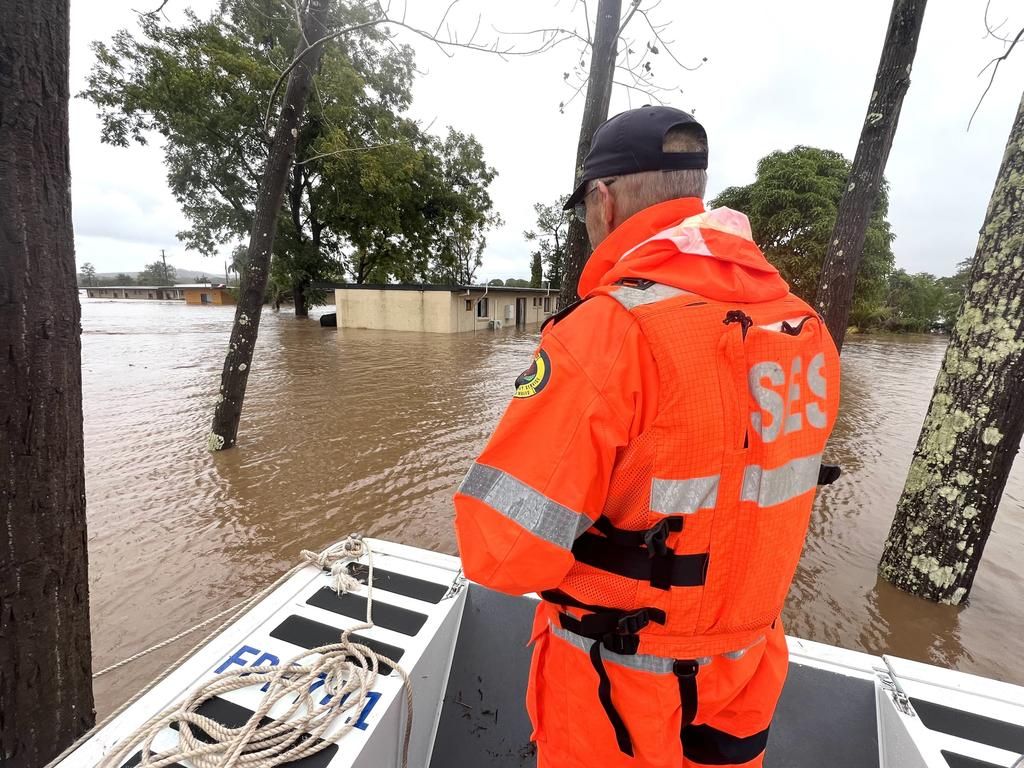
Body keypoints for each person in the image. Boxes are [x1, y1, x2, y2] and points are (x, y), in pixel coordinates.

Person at [453, 106, 841, 768]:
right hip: (745, 668)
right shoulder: (803, 329)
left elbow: (503, 554)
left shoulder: (607, 335)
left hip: (619, 687)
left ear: (603, 202)